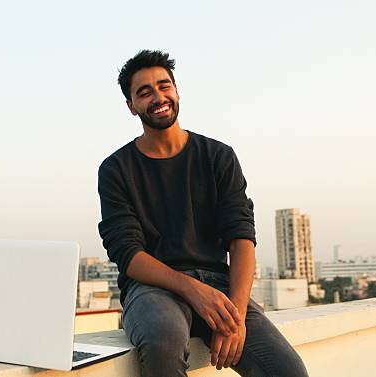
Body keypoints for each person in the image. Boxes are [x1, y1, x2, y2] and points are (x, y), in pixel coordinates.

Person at [97, 50, 309, 377]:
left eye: (164, 86)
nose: (158, 97)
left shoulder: (218, 156)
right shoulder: (116, 169)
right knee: (161, 345)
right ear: (131, 106)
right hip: (153, 289)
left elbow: (241, 239)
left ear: (177, 91)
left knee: (288, 371)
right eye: (144, 92)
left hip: (220, 287)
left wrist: (235, 316)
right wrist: (192, 290)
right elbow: (129, 254)